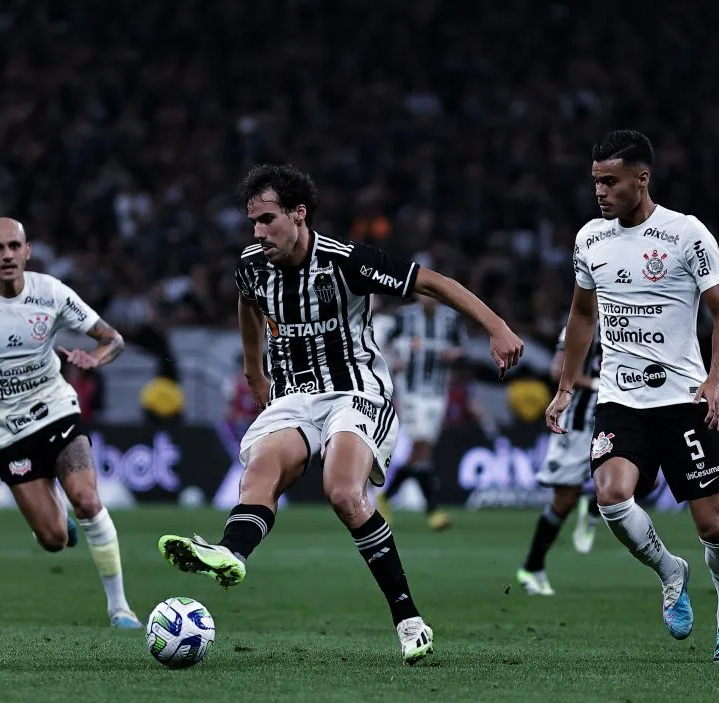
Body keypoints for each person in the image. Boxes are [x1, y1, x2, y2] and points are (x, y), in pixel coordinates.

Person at [157, 164, 523, 664]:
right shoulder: (251, 263)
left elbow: (430, 283)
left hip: (355, 389)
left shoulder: (347, 262)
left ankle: (409, 619)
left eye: (267, 220)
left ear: (298, 215)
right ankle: (230, 552)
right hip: (293, 396)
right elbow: (248, 303)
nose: (258, 232)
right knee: (262, 469)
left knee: (344, 492)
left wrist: (497, 327)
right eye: (253, 223)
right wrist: (254, 369)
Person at [544, 130, 719, 664]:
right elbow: (582, 315)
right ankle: (668, 570)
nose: (601, 192)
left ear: (642, 178)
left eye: (610, 181)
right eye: (595, 182)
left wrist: (716, 381)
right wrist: (566, 386)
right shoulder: (591, 239)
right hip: (620, 399)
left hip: (683, 400)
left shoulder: (685, 234)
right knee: (611, 495)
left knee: (714, 527)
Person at [0, 217, 141, 629]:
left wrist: (93, 359)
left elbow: (112, 338)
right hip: (5, 432)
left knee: (88, 500)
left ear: (27, 251)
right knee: (54, 540)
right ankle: (57, 521)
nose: (7, 255)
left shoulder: (52, 293)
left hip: (57, 410)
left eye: (14, 246)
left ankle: (120, 608)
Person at [517, 323, 602, 596]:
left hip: (613, 418)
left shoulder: (635, 319)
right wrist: (595, 384)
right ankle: (531, 567)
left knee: (638, 472)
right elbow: (557, 370)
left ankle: (593, 508)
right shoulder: (580, 325)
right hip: (576, 423)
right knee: (564, 500)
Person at [377, 294, 467, 531]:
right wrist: (394, 360)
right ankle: (432, 509)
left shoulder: (450, 319)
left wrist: (453, 354)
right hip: (410, 390)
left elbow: (462, 347)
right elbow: (384, 343)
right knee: (422, 444)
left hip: (438, 392)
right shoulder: (405, 316)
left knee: (424, 451)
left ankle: (387, 497)